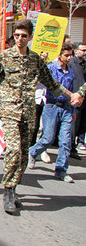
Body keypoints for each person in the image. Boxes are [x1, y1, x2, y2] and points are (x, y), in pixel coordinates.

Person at [0, 19, 80, 214]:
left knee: (22, 155)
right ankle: (9, 191)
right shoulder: (3, 57)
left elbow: (52, 83)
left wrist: (72, 96)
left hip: (27, 113)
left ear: (29, 37)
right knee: (12, 149)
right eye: (17, 36)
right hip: (9, 112)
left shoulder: (35, 60)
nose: (19, 39)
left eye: (23, 36)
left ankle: (14, 186)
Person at [28, 43, 77, 183]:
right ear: (60, 55)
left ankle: (61, 170)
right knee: (48, 138)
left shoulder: (71, 72)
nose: (69, 58)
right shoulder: (51, 68)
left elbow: (72, 90)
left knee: (66, 141)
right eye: (66, 55)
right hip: (51, 106)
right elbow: (49, 83)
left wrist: (73, 109)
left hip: (66, 108)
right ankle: (33, 152)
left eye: (70, 55)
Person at [70, 43, 86, 153]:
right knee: (74, 124)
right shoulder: (71, 63)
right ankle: (71, 147)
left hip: (84, 97)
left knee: (83, 123)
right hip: (75, 96)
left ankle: (80, 141)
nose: (84, 52)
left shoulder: (85, 64)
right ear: (76, 51)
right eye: (83, 50)